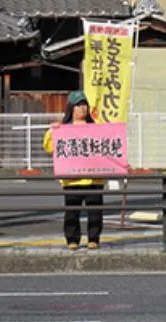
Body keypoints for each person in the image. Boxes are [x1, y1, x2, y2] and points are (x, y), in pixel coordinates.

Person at [43, 91, 103, 250]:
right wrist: (52, 132)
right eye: (78, 105)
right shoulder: (63, 128)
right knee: (71, 211)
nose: (82, 109)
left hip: (94, 177)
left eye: (84, 105)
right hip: (71, 178)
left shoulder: (96, 127)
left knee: (95, 211)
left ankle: (94, 239)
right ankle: (72, 240)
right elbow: (49, 147)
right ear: (71, 108)